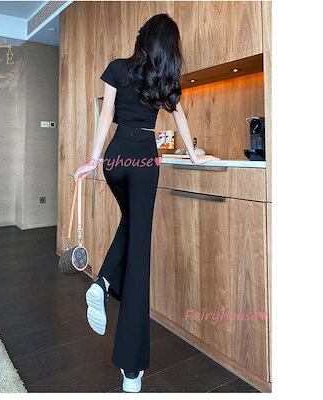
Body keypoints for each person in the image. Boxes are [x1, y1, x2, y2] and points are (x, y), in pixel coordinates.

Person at [73, 13, 219, 392]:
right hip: (143, 158)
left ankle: (103, 281)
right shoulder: (164, 79)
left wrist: (94, 160)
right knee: (139, 252)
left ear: (142, 38)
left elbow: (106, 115)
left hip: (116, 157)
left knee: (130, 224)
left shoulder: (118, 69)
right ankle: (131, 369)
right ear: (168, 47)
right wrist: (194, 154)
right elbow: (180, 116)